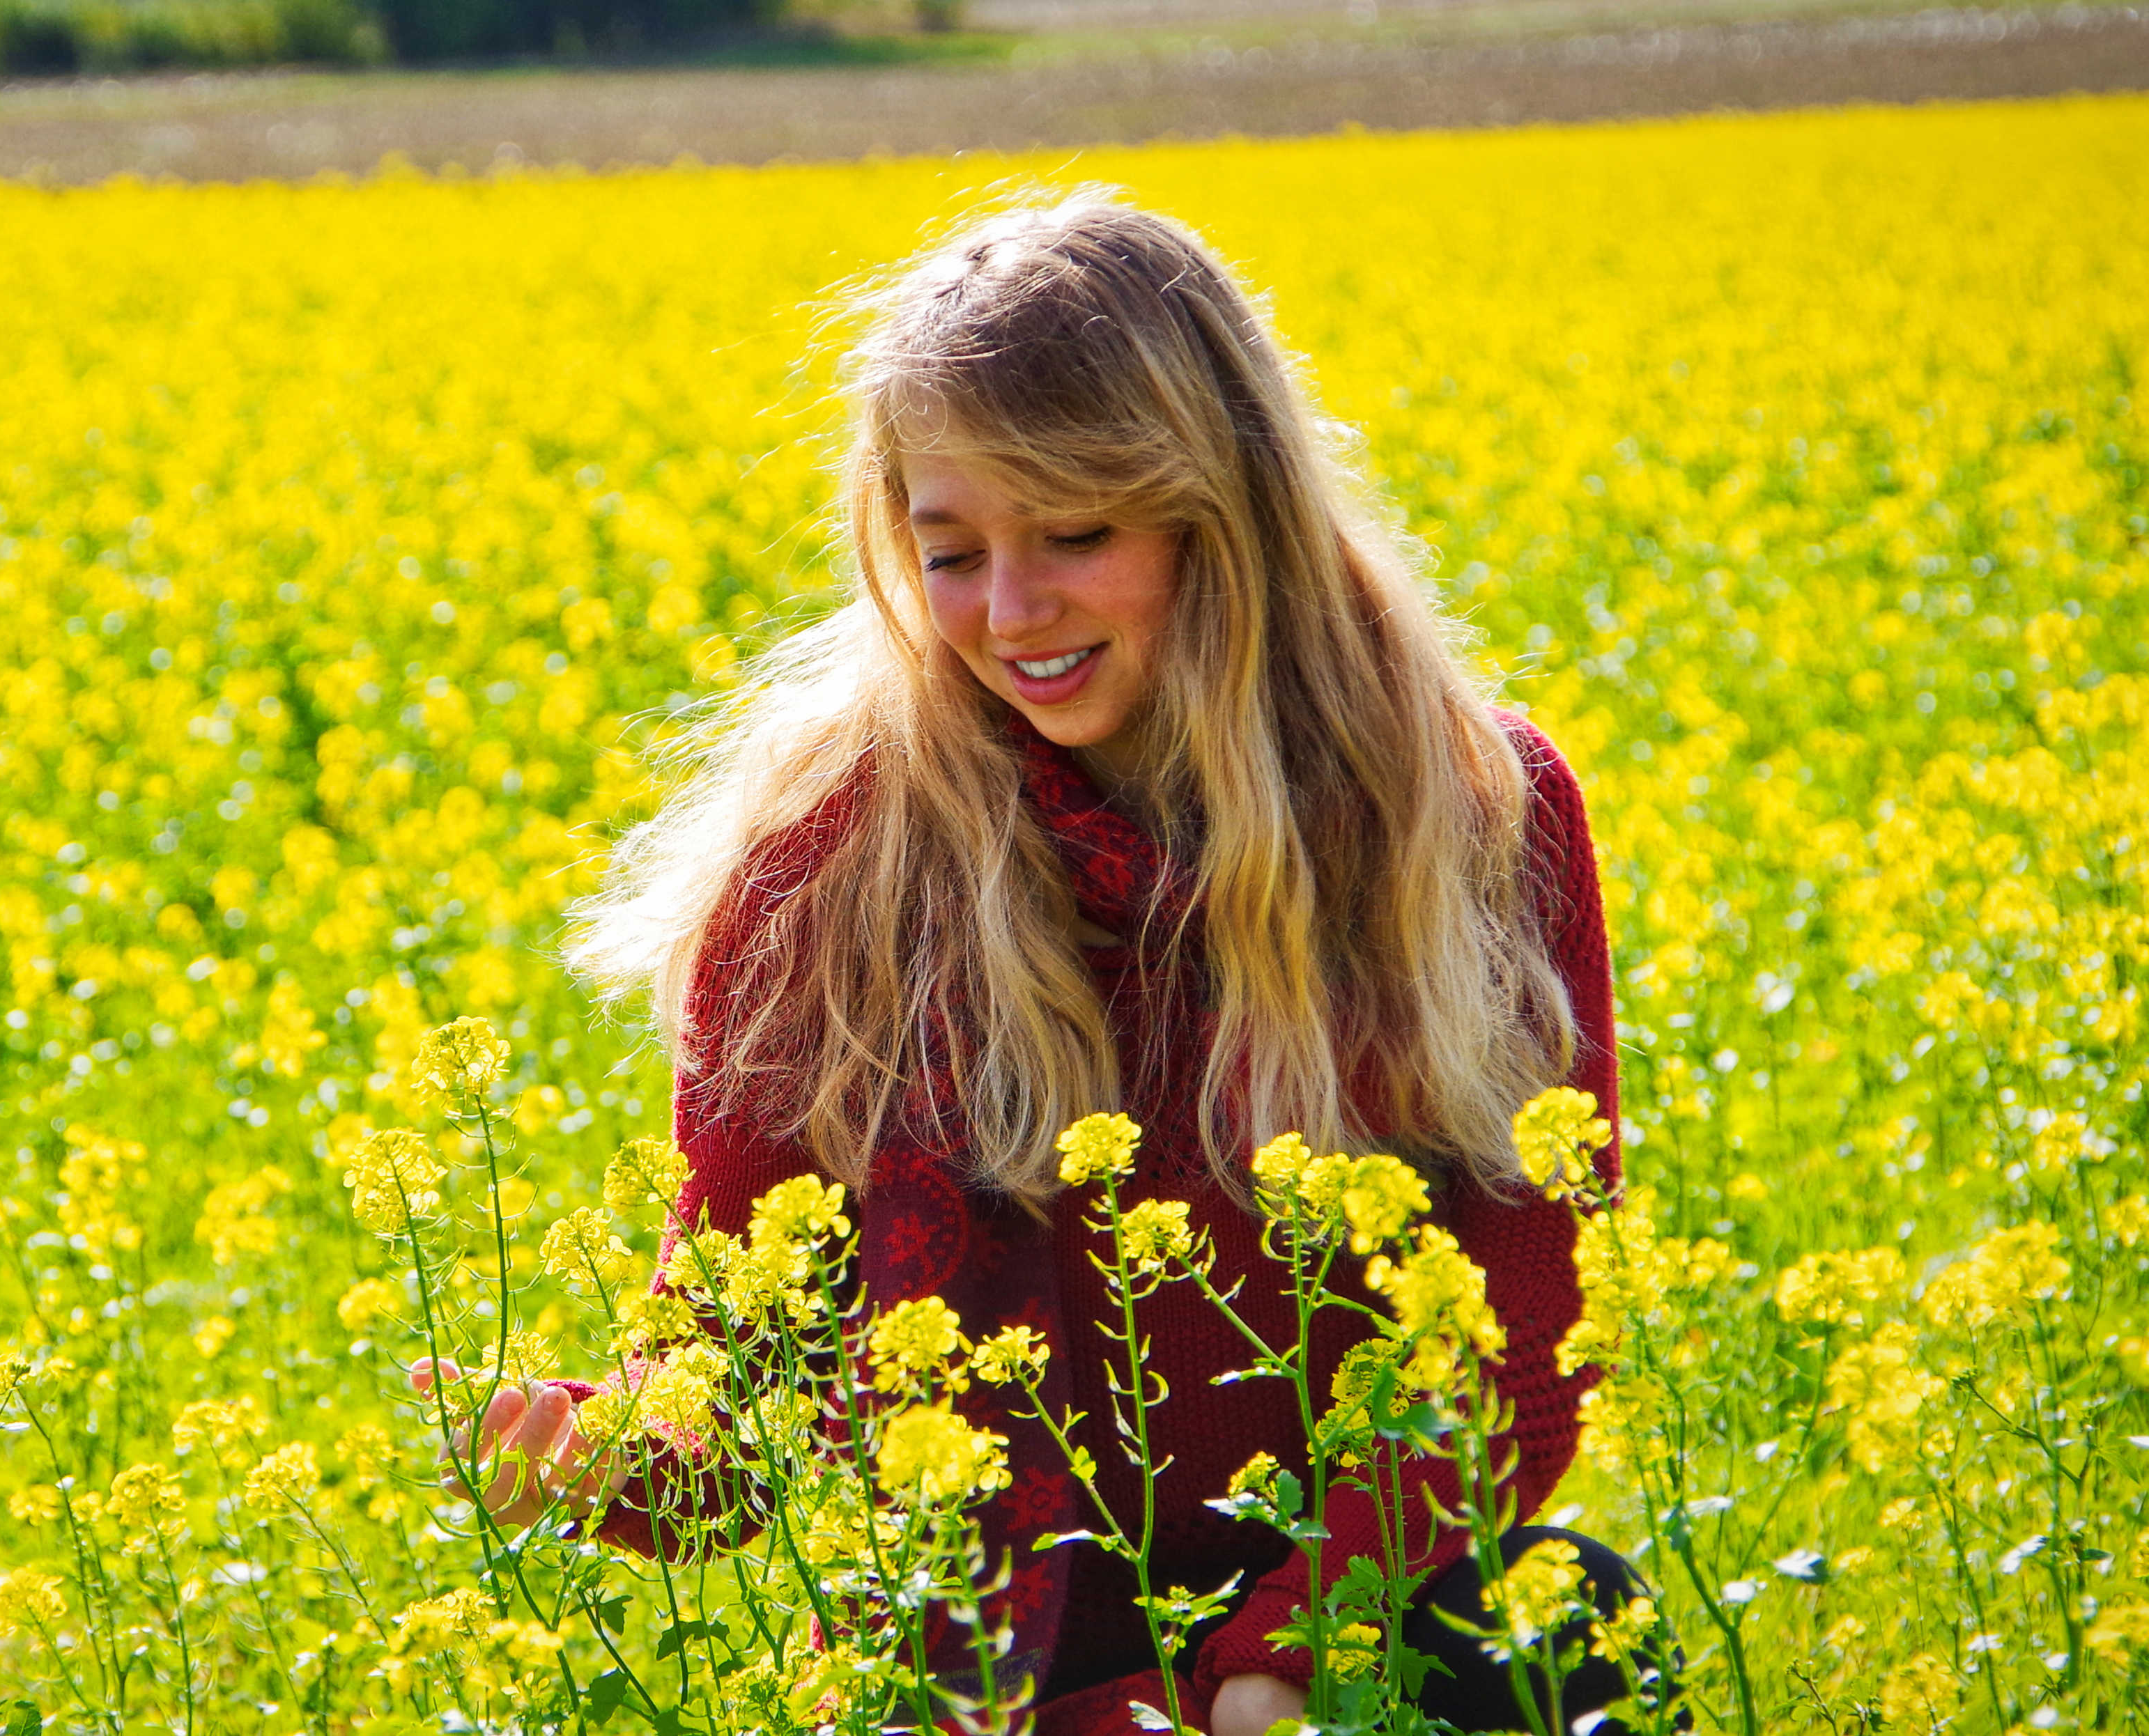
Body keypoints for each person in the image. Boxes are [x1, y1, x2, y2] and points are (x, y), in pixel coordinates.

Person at [410, 192, 1658, 1734]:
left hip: (1338, 1624)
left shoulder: (1464, 811)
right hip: (988, 1676)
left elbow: (1522, 1316)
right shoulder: (827, 869)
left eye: (1075, 535)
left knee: (1570, 1631)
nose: (1010, 614)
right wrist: (590, 1457)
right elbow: (736, 1381)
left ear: (1228, 512)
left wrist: (1279, 1660)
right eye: (949, 553)